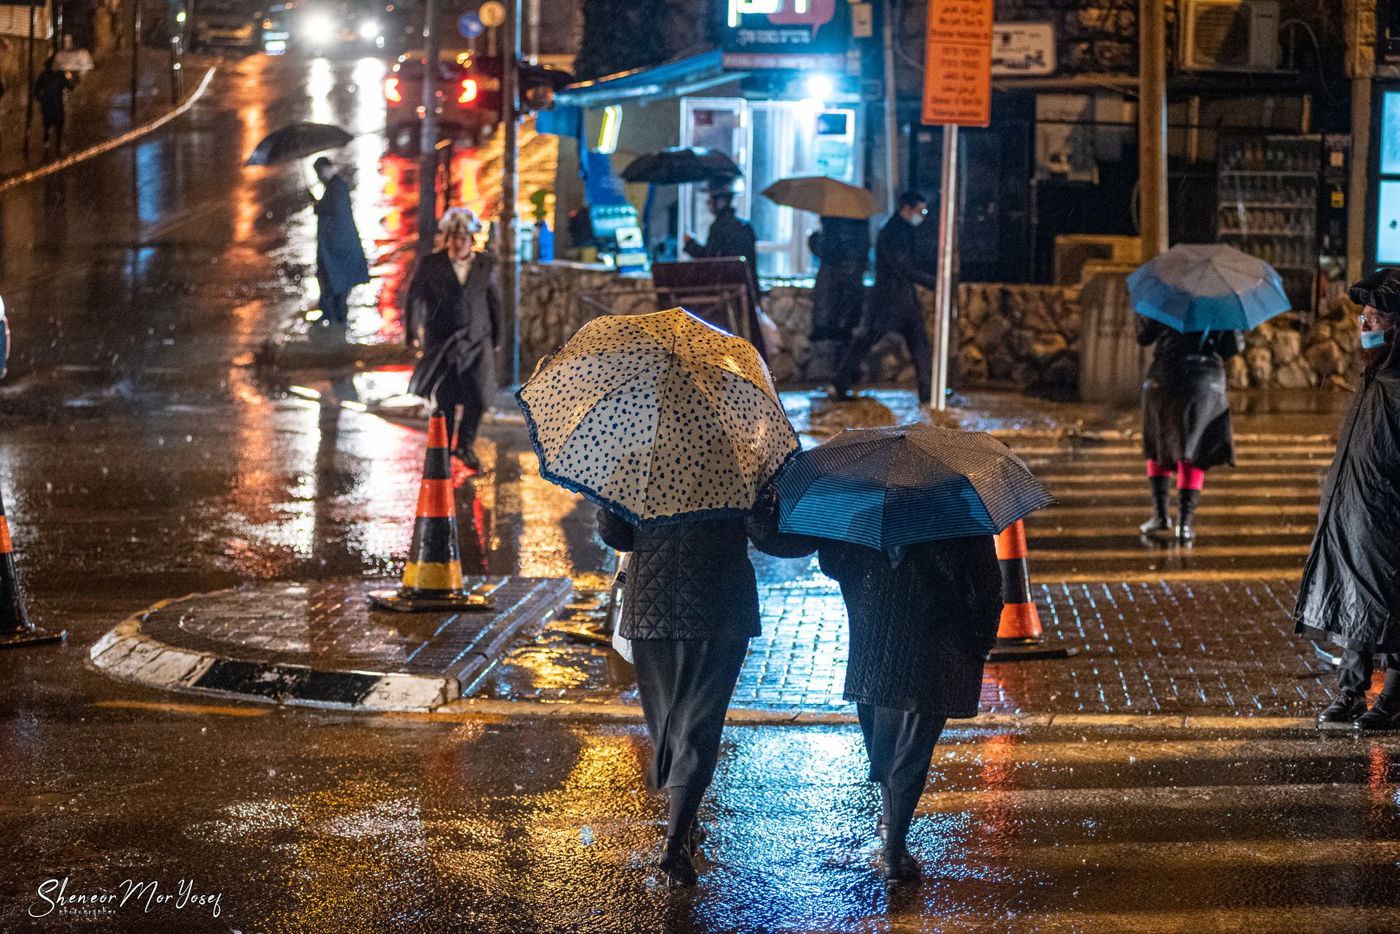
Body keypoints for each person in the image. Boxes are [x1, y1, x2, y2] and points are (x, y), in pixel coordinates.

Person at [748, 491, 1001, 881]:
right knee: (911, 754)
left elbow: (831, 562)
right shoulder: (962, 515)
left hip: (874, 645)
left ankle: (890, 831)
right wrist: (980, 641)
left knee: (883, 747)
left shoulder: (863, 513)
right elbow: (987, 588)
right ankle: (894, 847)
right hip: (935, 650)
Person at [596, 496, 809, 888]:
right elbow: (771, 540)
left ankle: (683, 824)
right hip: (718, 608)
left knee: (668, 723)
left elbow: (618, 536)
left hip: (651, 609)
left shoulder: (636, 465)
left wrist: (608, 503)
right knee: (699, 723)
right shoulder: (736, 470)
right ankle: (676, 840)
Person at [1298, 268, 1400, 729]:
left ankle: (1393, 698)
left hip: (1389, 512)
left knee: (1392, 601)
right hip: (1353, 509)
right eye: (1363, 316)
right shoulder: (1372, 373)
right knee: (1358, 600)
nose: (1364, 325)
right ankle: (1350, 690)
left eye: (1374, 318)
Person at [405, 208, 501, 471]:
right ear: (448, 238)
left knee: (479, 398)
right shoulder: (431, 264)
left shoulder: (485, 265)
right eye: (455, 237)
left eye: (465, 238)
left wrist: (497, 337)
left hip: (477, 340)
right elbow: (415, 297)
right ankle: (443, 453)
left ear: (472, 240)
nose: (460, 243)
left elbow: (494, 302)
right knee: (445, 400)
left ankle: (465, 446)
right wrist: (412, 332)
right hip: (443, 342)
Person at [1135, 318, 1241, 543]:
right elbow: (1232, 347)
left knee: (1159, 443)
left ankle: (1161, 516)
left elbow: (1143, 337)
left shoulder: (1165, 294)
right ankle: (1184, 524)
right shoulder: (1218, 301)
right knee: (1194, 448)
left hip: (1164, 377)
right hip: (1204, 382)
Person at [832, 191, 936, 404]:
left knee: (919, 345)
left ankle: (928, 392)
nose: (923, 216)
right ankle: (840, 381)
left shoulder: (901, 230)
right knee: (869, 339)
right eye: (921, 210)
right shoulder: (893, 231)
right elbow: (902, 266)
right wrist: (933, 282)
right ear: (906, 208)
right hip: (890, 301)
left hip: (900, 299)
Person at [311, 156, 370, 331]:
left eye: (320, 172)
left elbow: (333, 211)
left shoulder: (336, 188)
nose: (319, 177)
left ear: (327, 169)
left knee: (336, 285)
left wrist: (318, 206)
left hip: (338, 248)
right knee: (329, 281)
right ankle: (331, 315)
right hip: (334, 247)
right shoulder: (334, 187)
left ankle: (338, 321)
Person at [683, 178, 759, 287]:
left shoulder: (721, 227)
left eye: (711, 198)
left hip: (728, 292)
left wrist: (691, 245)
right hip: (746, 292)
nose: (708, 203)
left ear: (721, 201)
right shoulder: (745, 226)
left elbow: (711, 261)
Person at [808, 215, 870, 348]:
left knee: (830, 346)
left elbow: (821, 249)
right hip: (847, 303)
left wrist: (814, 236)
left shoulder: (831, 230)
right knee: (844, 340)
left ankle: (840, 367)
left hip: (831, 306)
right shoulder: (859, 230)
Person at [32, 58, 74, 151]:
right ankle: (54, 143)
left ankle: (50, 142)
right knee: (57, 123)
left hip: (49, 104)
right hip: (55, 104)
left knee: (50, 123)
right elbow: (70, 86)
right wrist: (69, 78)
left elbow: (36, 89)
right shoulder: (60, 75)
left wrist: (39, 98)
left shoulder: (45, 75)